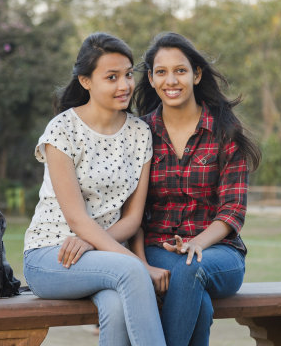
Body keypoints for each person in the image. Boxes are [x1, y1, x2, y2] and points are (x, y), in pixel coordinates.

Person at [23, 32, 166, 346]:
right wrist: (138, 264)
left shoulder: (140, 132)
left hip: (101, 255)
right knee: (132, 271)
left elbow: (132, 220)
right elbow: (77, 221)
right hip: (51, 256)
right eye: (111, 77)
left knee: (116, 307)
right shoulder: (62, 129)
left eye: (128, 75)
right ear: (86, 81)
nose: (124, 85)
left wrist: (91, 244)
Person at [133, 32, 261, 346]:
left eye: (180, 70)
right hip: (157, 249)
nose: (171, 80)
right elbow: (130, 210)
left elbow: (232, 211)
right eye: (161, 72)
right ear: (151, 79)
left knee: (192, 270)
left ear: (196, 74)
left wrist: (196, 243)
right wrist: (143, 262)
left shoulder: (224, 130)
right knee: (198, 304)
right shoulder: (139, 132)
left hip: (220, 253)